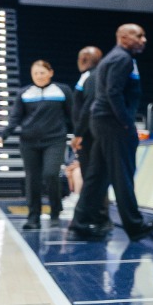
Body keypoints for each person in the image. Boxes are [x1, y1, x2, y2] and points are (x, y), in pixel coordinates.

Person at [76, 24, 153, 244]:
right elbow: (113, 92)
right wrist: (125, 122)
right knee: (122, 174)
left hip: (103, 121)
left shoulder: (117, 57)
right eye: (138, 35)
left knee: (96, 176)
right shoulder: (122, 59)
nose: (144, 39)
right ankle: (135, 225)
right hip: (112, 123)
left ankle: (81, 222)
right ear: (123, 37)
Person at [0, 59, 71, 228]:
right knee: (32, 179)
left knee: (51, 174)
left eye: (42, 72)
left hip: (55, 140)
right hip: (29, 142)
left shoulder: (62, 90)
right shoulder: (24, 93)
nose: (39, 76)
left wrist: (80, 135)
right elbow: (15, 119)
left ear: (51, 73)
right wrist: (2, 136)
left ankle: (55, 211)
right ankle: (33, 216)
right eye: (35, 73)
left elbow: (73, 115)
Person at [66, 46, 101, 209]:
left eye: (82, 58)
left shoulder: (94, 76)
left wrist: (78, 133)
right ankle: (90, 212)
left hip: (89, 134)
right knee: (89, 174)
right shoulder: (86, 77)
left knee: (93, 175)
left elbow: (88, 106)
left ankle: (95, 213)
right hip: (86, 133)